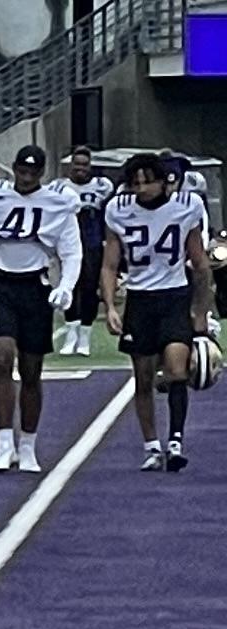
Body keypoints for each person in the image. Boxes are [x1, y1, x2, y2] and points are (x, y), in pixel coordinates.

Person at [0, 144, 83, 473]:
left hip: (35, 288)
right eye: (22, 171)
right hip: (2, 286)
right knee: (1, 358)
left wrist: (66, 287)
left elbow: (72, 252)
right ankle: (4, 444)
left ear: (41, 172)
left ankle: (27, 445)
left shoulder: (58, 202)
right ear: (13, 168)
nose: (26, 178)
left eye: (32, 172)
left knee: (31, 370)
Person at [101, 152, 215, 470]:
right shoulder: (119, 209)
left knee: (177, 370)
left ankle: (175, 441)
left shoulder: (186, 206)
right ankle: (152, 446)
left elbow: (200, 264)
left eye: (147, 182)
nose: (141, 189)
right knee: (144, 378)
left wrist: (201, 311)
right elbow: (110, 265)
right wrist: (110, 306)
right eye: (135, 183)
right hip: (140, 300)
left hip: (174, 296)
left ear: (163, 181)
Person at [57, 145, 115, 355]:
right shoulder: (59, 187)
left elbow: (108, 214)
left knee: (89, 288)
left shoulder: (102, 186)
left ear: (90, 166)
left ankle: (84, 336)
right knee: (69, 286)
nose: (80, 169)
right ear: (70, 165)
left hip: (92, 242)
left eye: (84, 164)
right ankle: (71, 333)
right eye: (77, 164)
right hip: (68, 242)